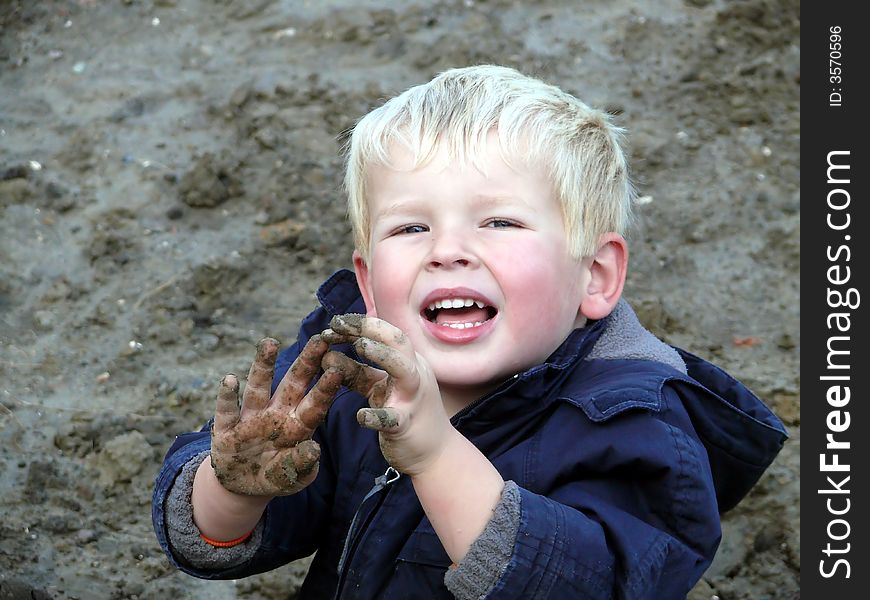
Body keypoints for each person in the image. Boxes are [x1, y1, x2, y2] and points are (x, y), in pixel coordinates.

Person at [152, 65, 787, 599]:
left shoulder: (636, 426)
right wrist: (233, 486)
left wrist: (434, 454)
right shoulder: (345, 367)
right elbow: (241, 530)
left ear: (595, 275)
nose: (448, 250)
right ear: (369, 281)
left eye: (501, 222)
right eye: (410, 228)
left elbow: (596, 583)